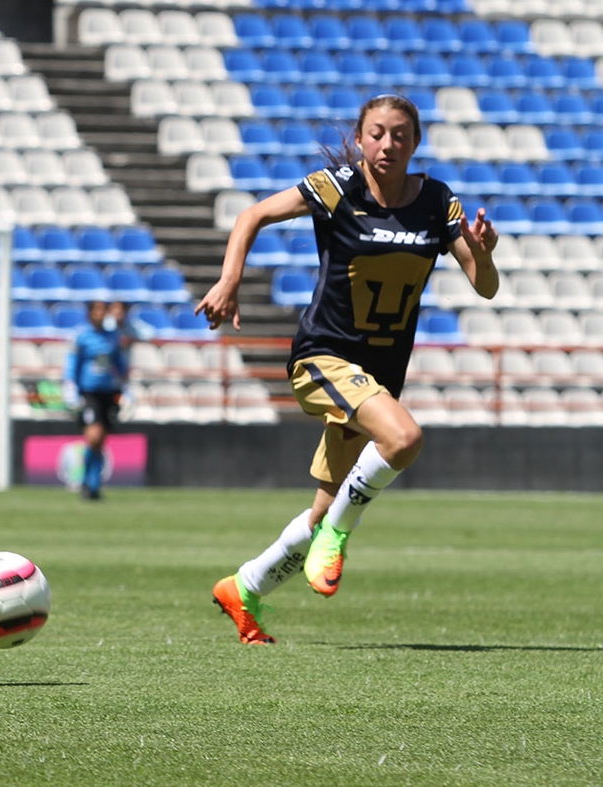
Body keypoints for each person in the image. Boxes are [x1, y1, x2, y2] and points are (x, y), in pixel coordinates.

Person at [198, 94, 499, 644]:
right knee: (404, 437)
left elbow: (485, 286)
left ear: (416, 141)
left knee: (320, 512)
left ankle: (243, 588)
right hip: (322, 359)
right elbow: (252, 214)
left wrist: (486, 251)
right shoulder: (338, 187)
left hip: (376, 379)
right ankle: (342, 532)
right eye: (378, 133)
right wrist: (229, 279)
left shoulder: (437, 201)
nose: (389, 144)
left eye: (401, 135)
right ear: (361, 140)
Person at [62, 300, 130, 501]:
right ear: (90, 313)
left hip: (108, 393)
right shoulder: (81, 336)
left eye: (104, 310)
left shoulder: (112, 337)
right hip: (89, 393)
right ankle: (87, 482)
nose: (102, 314)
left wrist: (126, 390)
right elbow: (72, 363)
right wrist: (70, 388)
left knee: (100, 441)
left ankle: (92, 485)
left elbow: (120, 366)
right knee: (93, 436)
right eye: (98, 310)